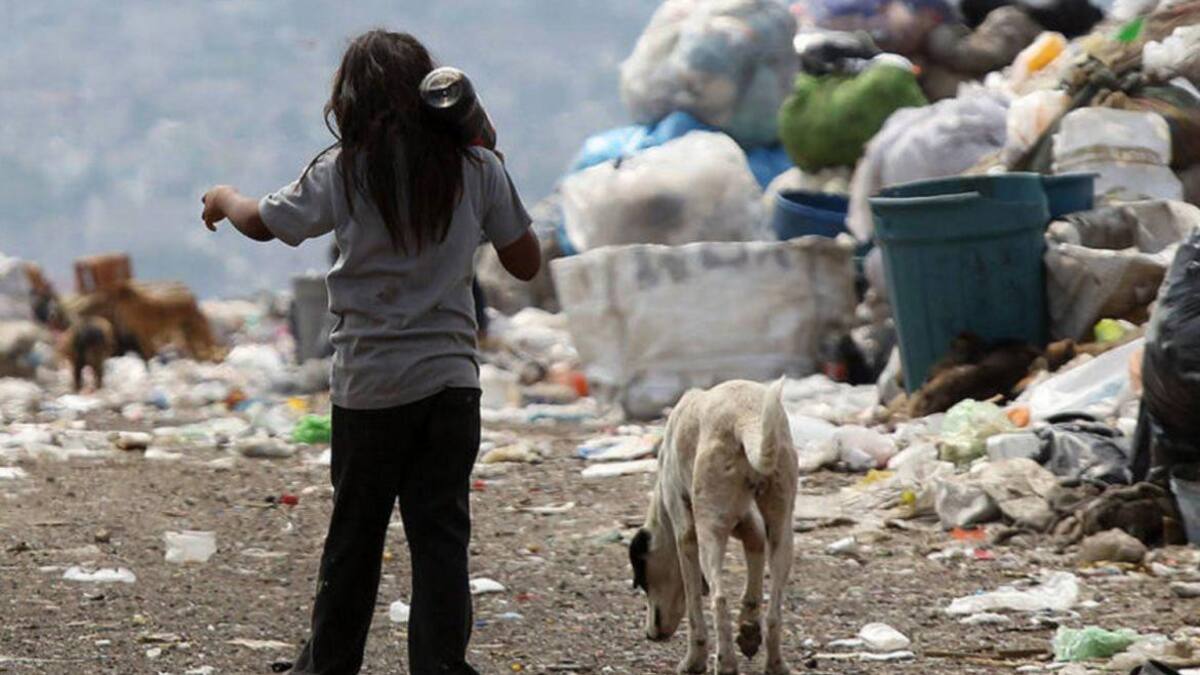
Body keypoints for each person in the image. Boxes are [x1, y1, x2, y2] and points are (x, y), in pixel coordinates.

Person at [199, 30, 540, 675]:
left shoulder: (345, 168)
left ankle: (328, 665)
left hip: (370, 386)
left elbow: (265, 223)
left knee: (355, 539)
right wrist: (484, 144)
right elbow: (525, 263)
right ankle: (440, 665)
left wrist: (222, 197)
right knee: (440, 539)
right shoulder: (476, 170)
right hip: (450, 386)